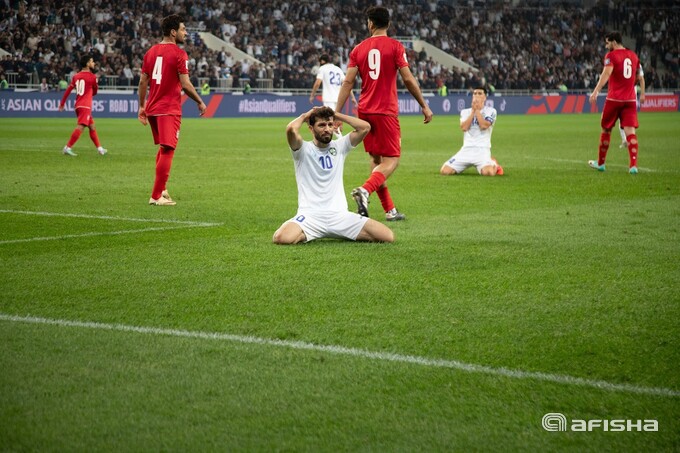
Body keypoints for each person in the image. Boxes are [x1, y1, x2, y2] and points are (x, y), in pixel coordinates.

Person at [335, 6, 433, 222]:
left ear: (370, 23)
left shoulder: (358, 49)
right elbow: (407, 78)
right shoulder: (396, 47)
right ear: (388, 24)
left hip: (365, 112)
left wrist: (336, 113)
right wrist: (423, 105)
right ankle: (365, 190)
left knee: (376, 158)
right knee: (392, 161)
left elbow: (348, 81)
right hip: (385, 111)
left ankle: (389, 210)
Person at [273, 106, 394, 245]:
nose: (327, 129)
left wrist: (335, 115)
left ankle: (327, 233)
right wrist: (306, 115)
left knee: (387, 236)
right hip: (310, 216)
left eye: (330, 124)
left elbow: (365, 127)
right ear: (311, 128)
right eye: (322, 125)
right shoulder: (302, 149)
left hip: (340, 216)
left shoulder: (340, 147)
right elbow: (291, 129)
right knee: (281, 238)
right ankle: (311, 233)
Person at [138, 14, 207, 206]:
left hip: (153, 108)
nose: (185, 33)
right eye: (183, 29)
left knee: (163, 148)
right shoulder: (179, 54)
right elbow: (185, 84)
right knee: (169, 149)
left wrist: (142, 106)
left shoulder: (150, 52)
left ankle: (163, 188)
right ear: (173, 32)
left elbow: (143, 81)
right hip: (169, 108)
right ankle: (156, 195)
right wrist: (200, 101)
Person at [588, 31, 646, 174]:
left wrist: (595, 91)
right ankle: (633, 166)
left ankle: (601, 163)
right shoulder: (633, 55)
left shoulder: (611, 56)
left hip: (614, 99)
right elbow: (638, 77)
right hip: (630, 100)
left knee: (606, 129)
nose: (606, 46)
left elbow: (606, 74)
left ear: (614, 42)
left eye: (607, 43)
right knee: (630, 132)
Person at [440, 87, 503, 176]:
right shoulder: (465, 112)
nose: (477, 95)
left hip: (482, 150)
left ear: (485, 97)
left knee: (488, 173)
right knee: (445, 171)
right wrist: (473, 111)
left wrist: (477, 111)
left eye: (480, 93)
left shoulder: (491, 111)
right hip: (466, 149)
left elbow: (484, 125)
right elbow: (464, 128)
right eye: (475, 93)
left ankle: (494, 164)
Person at [58, 55, 107, 157]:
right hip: (85, 105)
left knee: (92, 126)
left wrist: (62, 103)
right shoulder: (93, 77)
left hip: (78, 104)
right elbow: (95, 92)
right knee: (81, 127)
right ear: (87, 64)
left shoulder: (76, 76)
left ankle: (100, 149)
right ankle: (67, 147)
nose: (93, 63)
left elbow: (68, 90)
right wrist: (91, 90)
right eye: (92, 61)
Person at [309, 53, 357, 138]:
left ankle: (340, 141)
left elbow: (317, 83)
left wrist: (312, 95)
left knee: (330, 121)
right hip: (339, 99)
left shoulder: (323, 68)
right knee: (334, 120)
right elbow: (346, 84)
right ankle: (335, 139)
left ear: (322, 61)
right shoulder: (338, 69)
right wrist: (352, 97)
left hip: (329, 98)